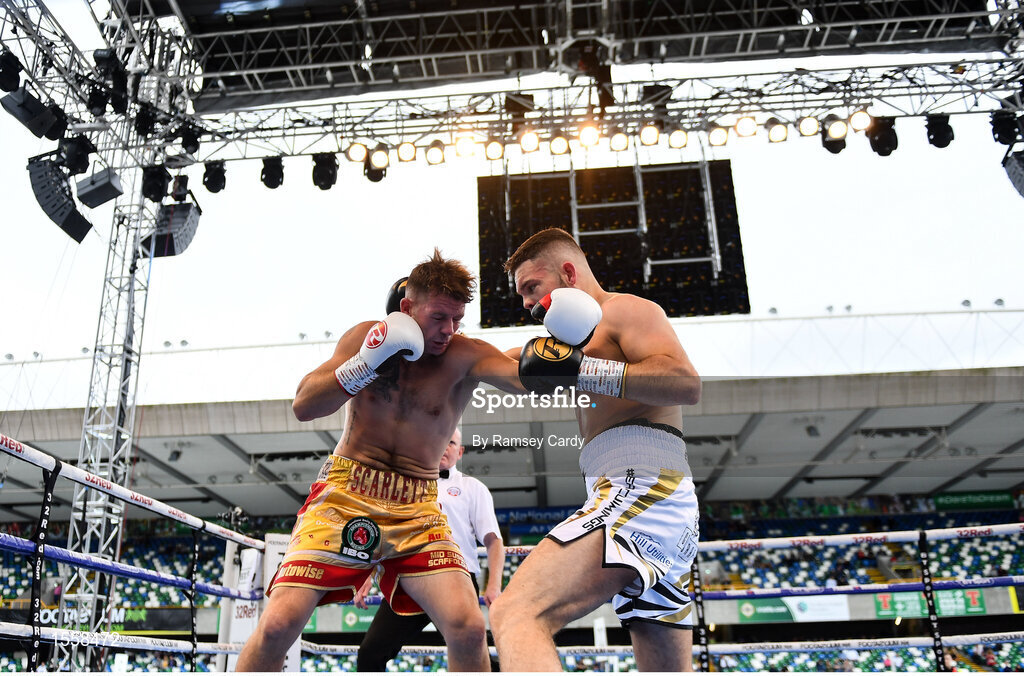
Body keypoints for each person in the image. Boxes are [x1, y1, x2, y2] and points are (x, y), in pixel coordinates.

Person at [235, 250, 521, 672]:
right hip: (346, 494)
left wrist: (562, 351)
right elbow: (304, 405)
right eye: (439, 317)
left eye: (457, 319)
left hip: (418, 505)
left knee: (468, 627)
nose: (448, 330)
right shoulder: (366, 336)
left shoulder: (465, 355)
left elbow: (522, 378)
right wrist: (365, 363)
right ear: (408, 308)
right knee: (278, 625)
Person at [489, 227, 702, 672]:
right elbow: (492, 363)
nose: (527, 304)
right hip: (643, 499)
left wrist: (586, 370)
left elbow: (684, 382)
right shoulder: (566, 342)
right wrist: (426, 348)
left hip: (643, 489)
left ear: (568, 273)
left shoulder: (622, 310)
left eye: (533, 288)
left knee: (516, 611)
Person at [354, 426, 505, 671]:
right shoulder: (405, 487)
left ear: (461, 452)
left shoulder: (472, 488)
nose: (445, 447)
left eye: (452, 443)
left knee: (479, 656)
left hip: (456, 581)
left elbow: (494, 540)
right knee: (371, 653)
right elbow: (388, 536)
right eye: (441, 440)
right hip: (409, 580)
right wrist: (367, 574)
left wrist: (494, 585)